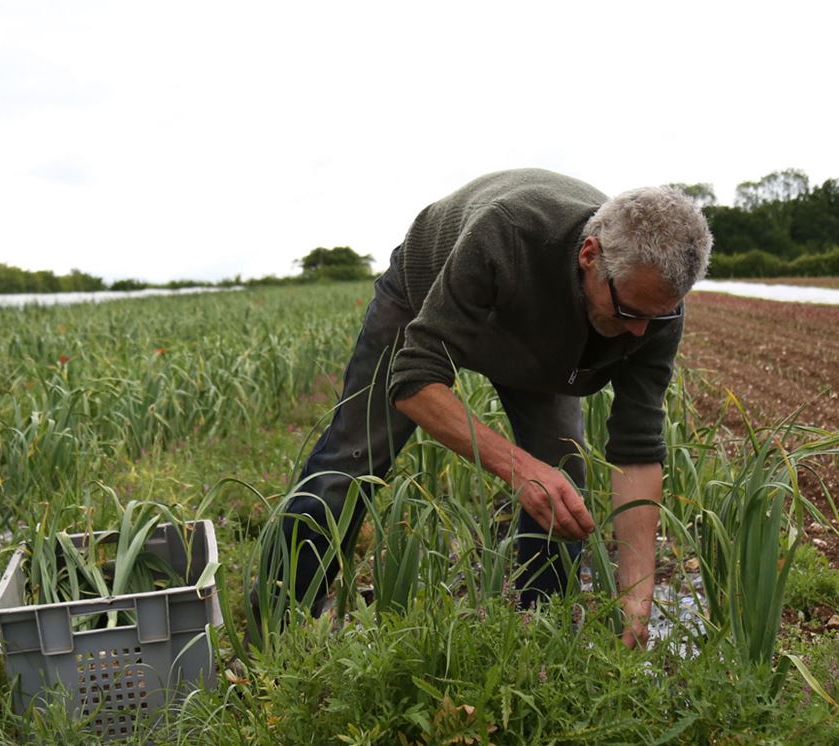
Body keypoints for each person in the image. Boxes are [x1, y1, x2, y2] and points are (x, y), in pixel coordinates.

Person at [254, 167, 712, 649]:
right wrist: (518, 468)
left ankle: (543, 641)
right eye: (629, 313)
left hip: (544, 333)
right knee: (350, 461)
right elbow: (414, 381)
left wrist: (636, 597)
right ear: (589, 255)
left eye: (656, 316)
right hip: (425, 299)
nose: (641, 331)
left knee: (561, 476)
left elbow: (637, 446)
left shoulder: (654, 310)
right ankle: (273, 640)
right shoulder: (507, 232)